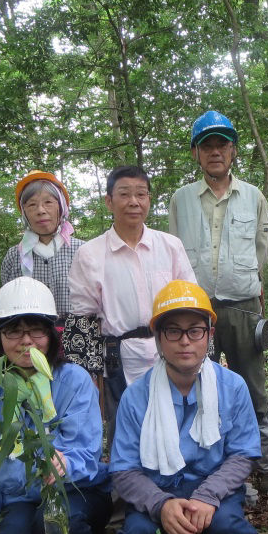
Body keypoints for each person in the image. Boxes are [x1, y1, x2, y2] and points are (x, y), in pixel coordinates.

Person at [169, 111, 268, 493]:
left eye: (222, 144)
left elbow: (262, 252)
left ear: (233, 151)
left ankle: (266, 465)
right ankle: (209, 463)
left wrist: (246, 283)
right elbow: (174, 252)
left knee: (254, 384)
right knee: (199, 383)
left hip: (243, 306)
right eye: (207, 145)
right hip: (196, 309)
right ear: (196, 153)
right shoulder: (181, 200)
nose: (215, 151)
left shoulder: (253, 197)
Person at [109, 281, 261, 534]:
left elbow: (243, 455)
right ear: (158, 337)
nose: (184, 342)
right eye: (173, 332)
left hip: (215, 490)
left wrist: (207, 496)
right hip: (155, 491)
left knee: (228, 529)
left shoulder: (233, 387)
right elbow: (124, 470)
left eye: (195, 331)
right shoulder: (135, 396)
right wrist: (161, 505)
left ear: (210, 335)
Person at [0, 277, 111, 534]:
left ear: (51, 334)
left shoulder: (73, 380)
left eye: (36, 330)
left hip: (76, 489)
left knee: (55, 524)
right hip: (18, 496)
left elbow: (88, 452)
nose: (26, 342)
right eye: (13, 331)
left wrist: (63, 462)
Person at [67, 166, 195, 437]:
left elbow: (192, 304)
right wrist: (88, 376)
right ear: (109, 201)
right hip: (118, 359)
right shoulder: (89, 254)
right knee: (125, 433)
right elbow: (83, 320)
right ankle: (126, 479)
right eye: (124, 194)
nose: (134, 202)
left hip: (170, 351)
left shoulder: (170, 246)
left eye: (141, 194)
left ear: (149, 199)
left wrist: (198, 356)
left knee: (178, 426)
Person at [0, 170, 85, 319]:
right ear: (24, 212)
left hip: (77, 338)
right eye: (32, 205)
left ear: (61, 207)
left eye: (48, 202)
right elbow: (7, 308)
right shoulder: (14, 256)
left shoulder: (83, 251)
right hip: (32, 339)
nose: (40, 211)